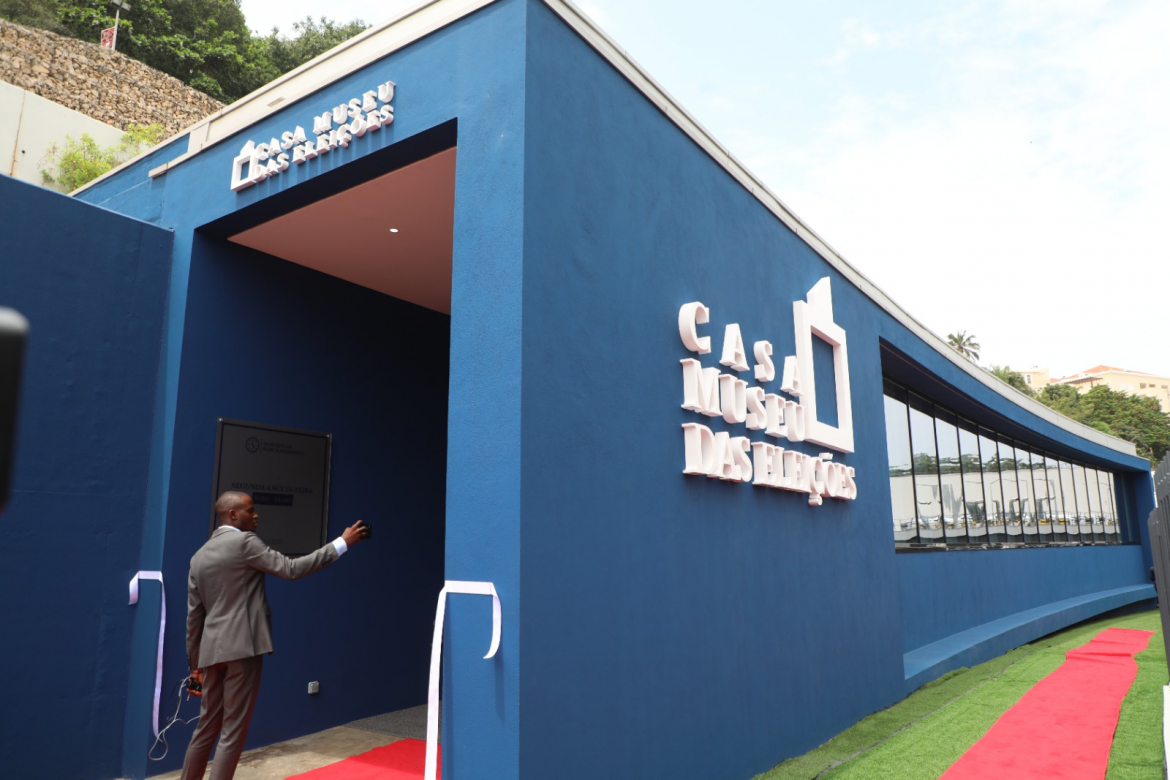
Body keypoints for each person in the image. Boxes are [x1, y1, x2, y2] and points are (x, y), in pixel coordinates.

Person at [180, 491, 370, 780]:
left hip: (210, 653)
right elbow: (291, 569)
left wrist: (195, 667)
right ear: (232, 514)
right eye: (250, 510)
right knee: (232, 731)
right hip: (243, 648)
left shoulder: (198, 557)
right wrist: (342, 543)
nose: (256, 515)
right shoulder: (245, 542)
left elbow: (194, 618)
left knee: (205, 728)